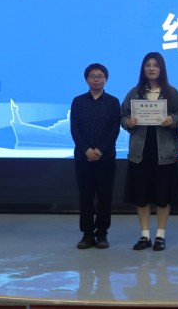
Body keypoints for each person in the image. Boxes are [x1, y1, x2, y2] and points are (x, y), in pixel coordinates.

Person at [121, 52, 178, 251]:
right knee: (142, 196)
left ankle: (160, 236)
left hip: (164, 153)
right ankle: (145, 235)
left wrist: (173, 119)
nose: (151, 68)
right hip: (140, 152)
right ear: (143, 69)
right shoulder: (134, 93)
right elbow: (123, 115)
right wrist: (128, 122)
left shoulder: (172, 93)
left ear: (161, 68)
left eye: (155, 65)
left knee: (163, 196)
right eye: (147, 65)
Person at [70, 63, 121, 249]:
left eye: (100, 76)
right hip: (83, 157)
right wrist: (86, 150)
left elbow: (114, 129)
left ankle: (102, 234)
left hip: (105, 158)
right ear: (86, 79)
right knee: (86, 196)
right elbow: (75, 129)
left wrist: (100, 150)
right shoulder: (78, 101)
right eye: (93, 76)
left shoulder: (113, 102)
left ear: (106, 79)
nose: (96, 79)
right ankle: (87, 234)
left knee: (104, 196)